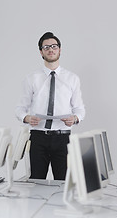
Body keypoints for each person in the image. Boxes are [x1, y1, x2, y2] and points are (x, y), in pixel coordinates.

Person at [15, 32, 85, 180]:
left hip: (62, 138)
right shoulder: (31, 79)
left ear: (60, 49)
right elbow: (20, 108)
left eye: (54, 46)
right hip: (38, 138)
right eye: (46, 47)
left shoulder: (72, 79)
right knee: (37, 182)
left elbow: (79, 108)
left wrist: (75, 118)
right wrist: (26, 118)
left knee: (63, 184)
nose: (50, 50)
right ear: (41, 51)